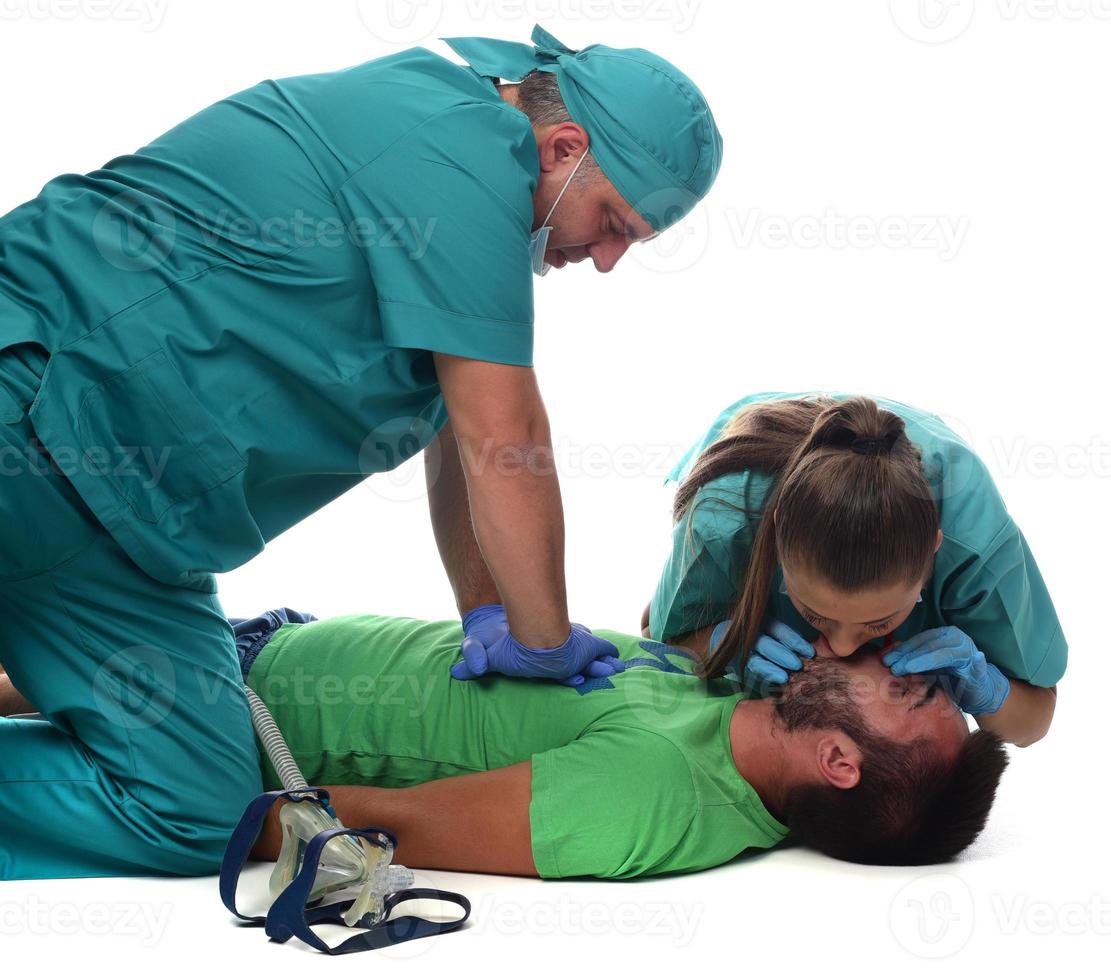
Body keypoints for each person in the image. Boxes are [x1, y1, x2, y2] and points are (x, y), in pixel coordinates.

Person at [0, 25, 723, 877]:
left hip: (131, 537)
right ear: (563, 147)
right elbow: (505, 436)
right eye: (614, 224)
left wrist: (488, 614)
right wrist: (543, 634)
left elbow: (461, 433)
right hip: (32, 403)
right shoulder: (459, 150)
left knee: (196, 809)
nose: (605, 260)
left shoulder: (467, 221)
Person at [209, 607, 1001, 876]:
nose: (889, 654)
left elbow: (381, 826)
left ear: (837, 760)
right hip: (276, 633)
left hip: (225, 708)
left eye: (905, 690)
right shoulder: (744, 694)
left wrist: (188, 811)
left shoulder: (653, 793)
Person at [644, 392, 1066, 748]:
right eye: (812, 613)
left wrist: (987, 688)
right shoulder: (726, 516)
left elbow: (1037, 715)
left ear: (935, 551)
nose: (843, 647)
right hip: (757, 445)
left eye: (880, 620)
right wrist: (723, 642)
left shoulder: (973, 542)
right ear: (774, 538)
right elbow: (656, 633)